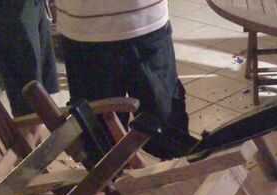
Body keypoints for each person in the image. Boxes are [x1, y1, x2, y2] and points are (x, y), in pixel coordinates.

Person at [54, 0, 196, 158]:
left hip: (146, 21)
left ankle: (175, 170)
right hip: (83, 29)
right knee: (100, 140)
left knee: (168, 127)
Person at [0, 0, 59, 117]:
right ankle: (33, 124)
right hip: (8, 10)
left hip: (29, 6)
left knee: (43, 84)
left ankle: (41, 120)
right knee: (29, 93)